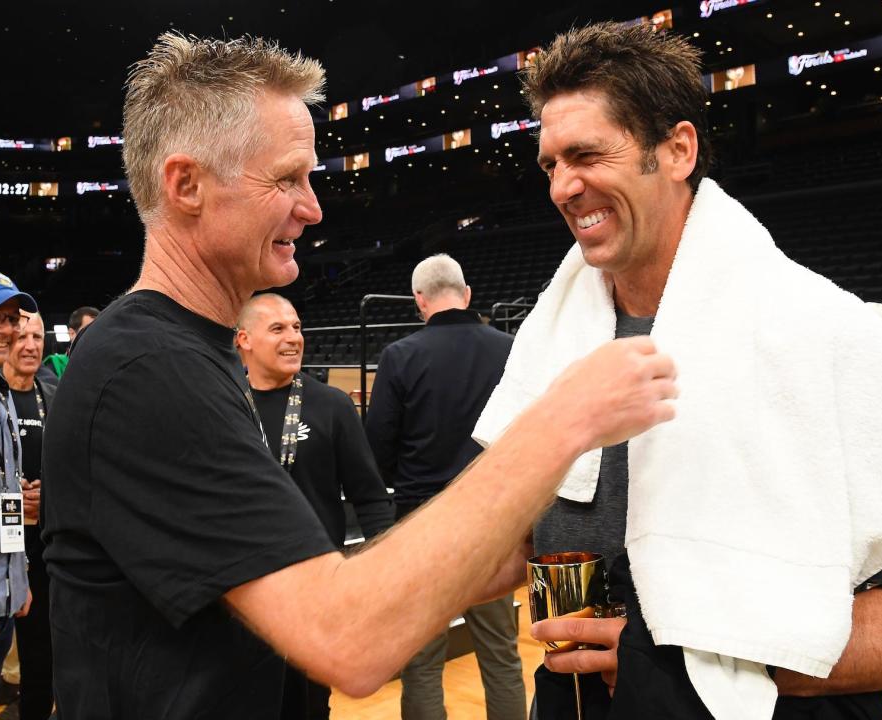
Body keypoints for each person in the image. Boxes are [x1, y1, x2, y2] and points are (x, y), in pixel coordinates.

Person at [40, 32, 678, 720]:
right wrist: (564, 419)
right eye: (286, 179)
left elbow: (308, 594)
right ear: (187, 184)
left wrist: (531, 538)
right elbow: (352, 643)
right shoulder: (147, 368)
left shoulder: (195, 354)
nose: (312, 208)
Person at [473, 22, 882, 720]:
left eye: (587, 154)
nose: (564, 187)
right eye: (549, 165)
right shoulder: (550, 345)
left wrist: (692, 664)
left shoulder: (832, 338)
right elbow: (525, 549)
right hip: (573, 702)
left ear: (678, 149)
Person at [366, 254, 525, 720]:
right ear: (467, 293)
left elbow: (378, 449)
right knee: (501, 655)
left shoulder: (400, 356)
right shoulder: (509, 348)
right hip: (492, 522)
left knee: (420, 660)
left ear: (419, 300)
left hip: (421, 522)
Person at [236, 292, 395, 720]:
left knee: (307, 707)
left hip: (313, 594)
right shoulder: (223, 405)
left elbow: (371, 497)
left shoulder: (332, 405)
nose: (293, 338)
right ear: (243, 340)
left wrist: (378, 575)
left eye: (297, 327)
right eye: (278, 329)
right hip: (240, 590)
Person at [0, 271, 35, 719]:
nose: (8, 329)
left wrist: (19, 574)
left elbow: (6, 494)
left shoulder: (1, 395)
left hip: (3, 602)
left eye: (12, 318)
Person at [1, 311, 56, 720]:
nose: (31, 345)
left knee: (41, 658)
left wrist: (47, 499)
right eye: (22, 337)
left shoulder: (55, 396)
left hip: (42, 548)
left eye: (37, 337)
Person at [42, 305, 100, 378]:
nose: (95, 337)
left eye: (99, 331)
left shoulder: (106, 366)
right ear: (71, 333)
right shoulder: (55, 365)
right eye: (88, 331)